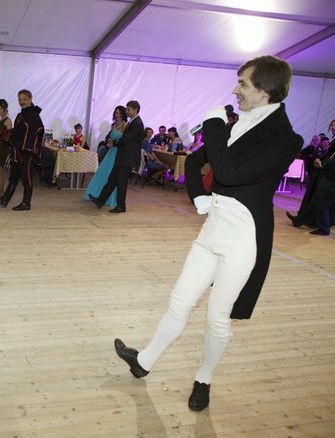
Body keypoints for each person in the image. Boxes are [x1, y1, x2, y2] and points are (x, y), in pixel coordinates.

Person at [113, 55, 303, 412]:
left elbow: (229, 171)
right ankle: (143, 362)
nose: (235, 90)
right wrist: (198, 196)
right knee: (179, 302)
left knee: (217, 317)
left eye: (242, 83)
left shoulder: (286, 139)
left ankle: (204, 379)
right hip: (212, 227)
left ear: (266, 89)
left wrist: (214, 125)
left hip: (244, 237)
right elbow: (197, 161)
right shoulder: (237, 125)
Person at [286, 128, 335, 236]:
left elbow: (331, 164)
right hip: (331, 181)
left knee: (321, 205)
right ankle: (298, 220)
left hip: (334, 183)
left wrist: (321, 164)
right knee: (315, 204)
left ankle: (324, 229)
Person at [89, 100, 143, 214]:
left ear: (135, 110)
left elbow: (126, 139)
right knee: (112, 180)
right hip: (122, 157)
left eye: (128, 109)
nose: (126, 111)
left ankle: (121, 206)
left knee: (121, 183)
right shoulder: (133, 122)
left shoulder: (137, 123)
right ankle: (100, 200)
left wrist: (114, 143)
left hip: (127, 158)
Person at [296, 117, 335, 226]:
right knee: (317, 198)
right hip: (325, 172)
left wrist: (322, 163)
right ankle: (304, 219)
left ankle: (317, 222)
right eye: (332, 125)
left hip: (329, 175)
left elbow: (334, 159)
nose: (333, 127)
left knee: (320, 200)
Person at [0, 89, 44, 211]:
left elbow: (37, 133)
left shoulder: (33, 115)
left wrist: (26, 148)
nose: (22, 102)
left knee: (26, 176)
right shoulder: (21, 115)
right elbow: (18, 131)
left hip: (27, 152)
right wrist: (6, 135)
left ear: (30, 99)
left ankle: (26, 203)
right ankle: (5, 199)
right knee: (14, 175)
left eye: (24, 99)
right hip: (17, 151)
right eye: (20, 99)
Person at [84, 106, 127, 207]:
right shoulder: (114, 125)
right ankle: (98, 194)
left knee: (111, 175)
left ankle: (109, 199)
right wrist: (109, 141)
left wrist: (115, 142)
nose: (117, 115)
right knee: (103, 172)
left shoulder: (125, 125)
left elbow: (124, 140)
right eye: (116, 112)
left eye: (119, 113)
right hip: (111, 152)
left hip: (118, 152)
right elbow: (109, 137)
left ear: (123, 114)